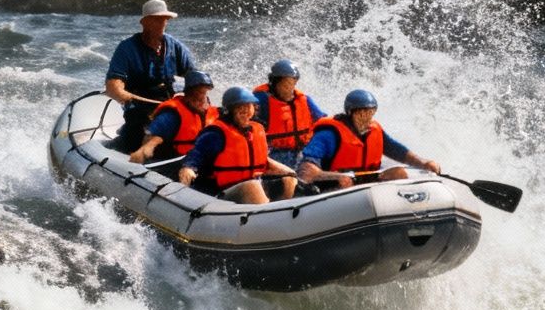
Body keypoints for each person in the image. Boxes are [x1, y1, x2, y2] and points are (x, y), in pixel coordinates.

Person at [104, 0, 200, 152]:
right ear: (144, 22)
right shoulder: (126, 48)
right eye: (156, 20)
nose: (162, 24)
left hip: (171, 106)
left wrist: (194, 96)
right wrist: (122, 93)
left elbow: (196, 79)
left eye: (165, 20)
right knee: (136, 136)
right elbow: (113, 85)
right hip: (139, 108)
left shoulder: (177, 47)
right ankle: (120, 145)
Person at [298, 89, 441, 189]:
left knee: (399, 173)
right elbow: (307, 170)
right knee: (345, 182)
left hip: (366, 188)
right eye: (361, 113)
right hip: (334, 186)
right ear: (350, 113)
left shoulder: (375, 130)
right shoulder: (329, 134)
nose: (366, 118)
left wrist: (423, 162)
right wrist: (335, 176)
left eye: (370, 113)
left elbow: (397, 151)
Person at [179, 87, 299, 204]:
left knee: (289, 179)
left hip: (251, 187)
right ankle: (269, 217)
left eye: (248, 106)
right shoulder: (216, 133)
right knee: (252, 187)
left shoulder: (256, 129)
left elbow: (262, 160)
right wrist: (188, 168)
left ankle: (283, 213)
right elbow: (196, 154)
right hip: (217, 193)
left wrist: (289, 172)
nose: (245, 111)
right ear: (229, 110)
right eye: (240, 107)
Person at [128, 72, 217, 163]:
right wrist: (144, 151)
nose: (202, 98)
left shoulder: (210, 112)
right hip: (170, 163)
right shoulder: (171, 115)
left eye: (204, 93)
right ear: (187, 94)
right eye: (198, 93)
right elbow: (153, 138)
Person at [255, 58, 327, 169]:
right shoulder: (261, 100)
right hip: (273, 154)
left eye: (292, 84)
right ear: (274, 83)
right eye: (285, 85)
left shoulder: (304, 100)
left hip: (302, 151)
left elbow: (322, 122)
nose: (289, 89)